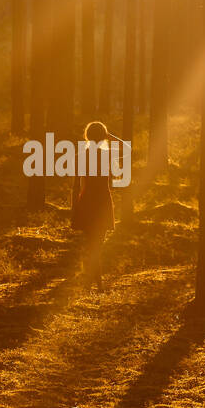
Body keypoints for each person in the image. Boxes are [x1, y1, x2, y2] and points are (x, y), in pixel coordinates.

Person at [70, 121, 123, 290]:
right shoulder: (107, 155)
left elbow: (76, 186)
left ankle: (93, 281)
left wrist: (74, 208)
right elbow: (125, 148)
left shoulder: (80, 156)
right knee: (97, 244)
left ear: (87, 136)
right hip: (102, 202)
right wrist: (108, 136)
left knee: (91, 243)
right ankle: (97, 283)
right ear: (103, 136)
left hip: (86, 202)